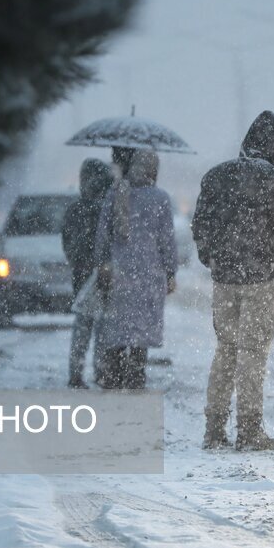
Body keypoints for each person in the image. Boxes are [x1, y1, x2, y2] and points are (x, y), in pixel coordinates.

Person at [192, 110, 274, 451]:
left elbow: (201, 225)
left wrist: (213, 258)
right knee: (253, 353)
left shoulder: (216, 177)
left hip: (225, 279)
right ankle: (249, 430)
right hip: (263, 278)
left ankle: (214, 430)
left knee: (226, 351)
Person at [94, 149, 177, 389]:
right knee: (142, 327)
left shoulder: (116, 192)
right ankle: (136, 374)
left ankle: (114, 373)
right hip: (149, 273)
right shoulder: (160, 198)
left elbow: (103, 232)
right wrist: (171, 272)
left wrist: (102, 262)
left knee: (118, 325)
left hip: (118, 271)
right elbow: (166, 240)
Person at [62, 158, 113, 389]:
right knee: (103, 324)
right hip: (104, 272)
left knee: (83, 324)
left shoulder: (76, 208)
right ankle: (101, 371)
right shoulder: (108, 207)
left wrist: (77, 260)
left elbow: (67, 241)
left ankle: (76, 372)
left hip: (82, 272)